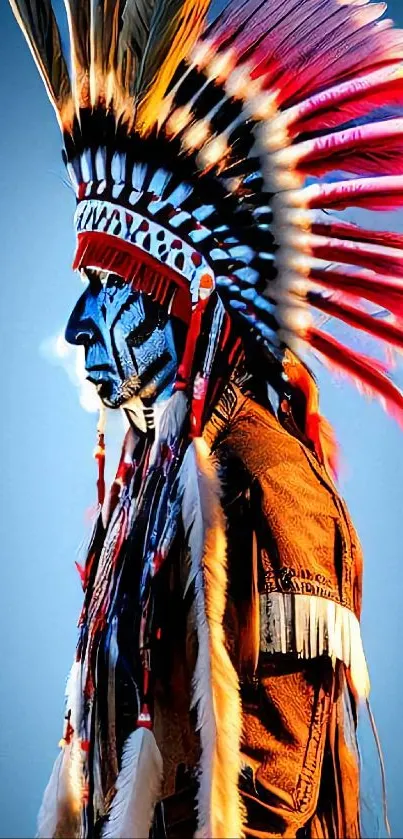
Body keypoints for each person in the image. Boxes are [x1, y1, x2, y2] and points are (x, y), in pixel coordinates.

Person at [8, 0, 403, 836]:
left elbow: (265, 803)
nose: (80, 324)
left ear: (184, 303)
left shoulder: (264, 486)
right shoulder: (149, 501)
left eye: (111, 288)